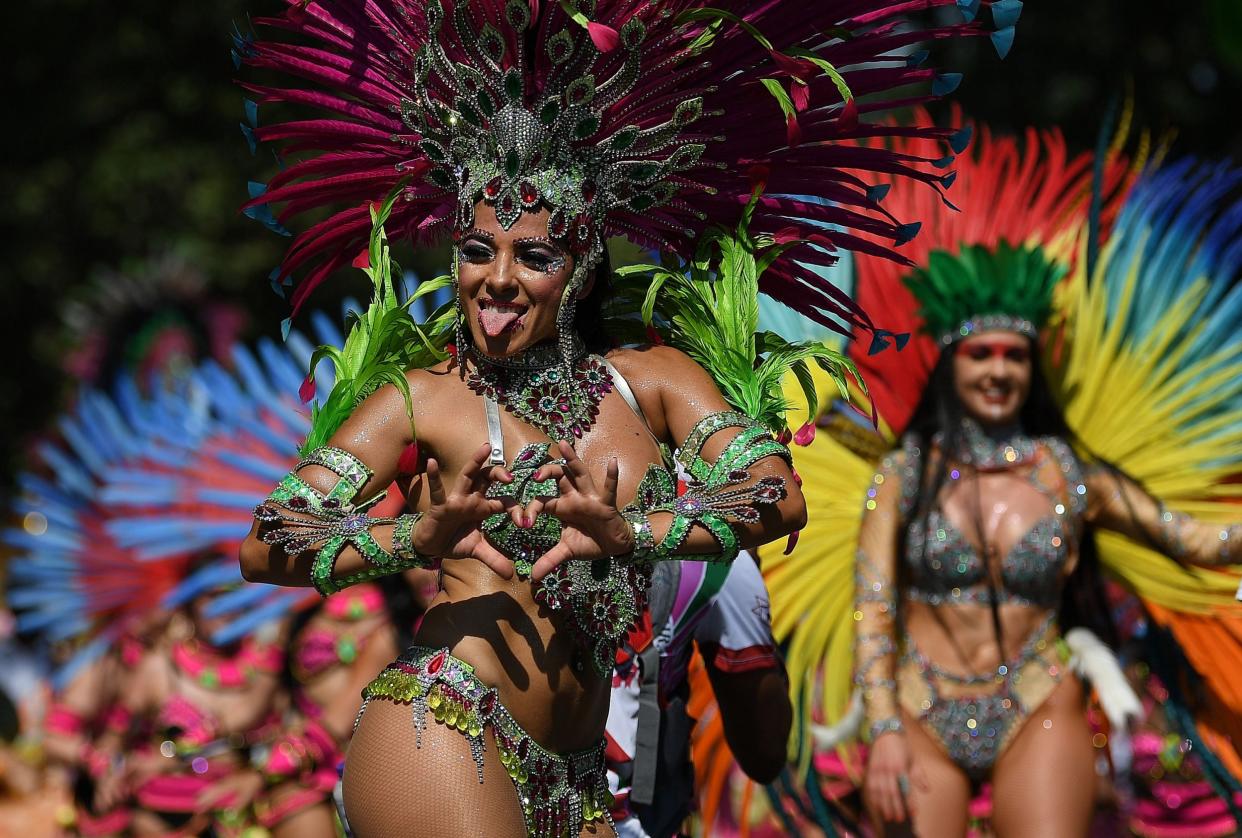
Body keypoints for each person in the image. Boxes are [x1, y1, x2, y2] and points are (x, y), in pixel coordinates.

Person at [233, 2, 1014, 835]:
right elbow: (270, 538)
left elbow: (776, 496)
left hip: (575, 775)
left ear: (582, 266)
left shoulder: (653, 384)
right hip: (445, 725)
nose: (497, 280)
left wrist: (635, 534)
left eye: (534, 256)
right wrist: (411, 543)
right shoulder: (421, 397)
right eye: (476, 250)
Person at [764, 118, 1242, 837]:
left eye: (1013, 356)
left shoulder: (1069, 473)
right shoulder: (906, 473)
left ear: (1032, 366)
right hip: (921, 707)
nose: (997, 371)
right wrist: (886, 727)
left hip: (1038, 702)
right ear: (951, 366)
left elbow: (1194, 542)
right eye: (981, 355)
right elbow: (874, 609)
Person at [607, 554, 790, 837]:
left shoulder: (519, 535)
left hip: (524, 805)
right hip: (628, 822)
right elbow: (766, 752)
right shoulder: (716, 554)